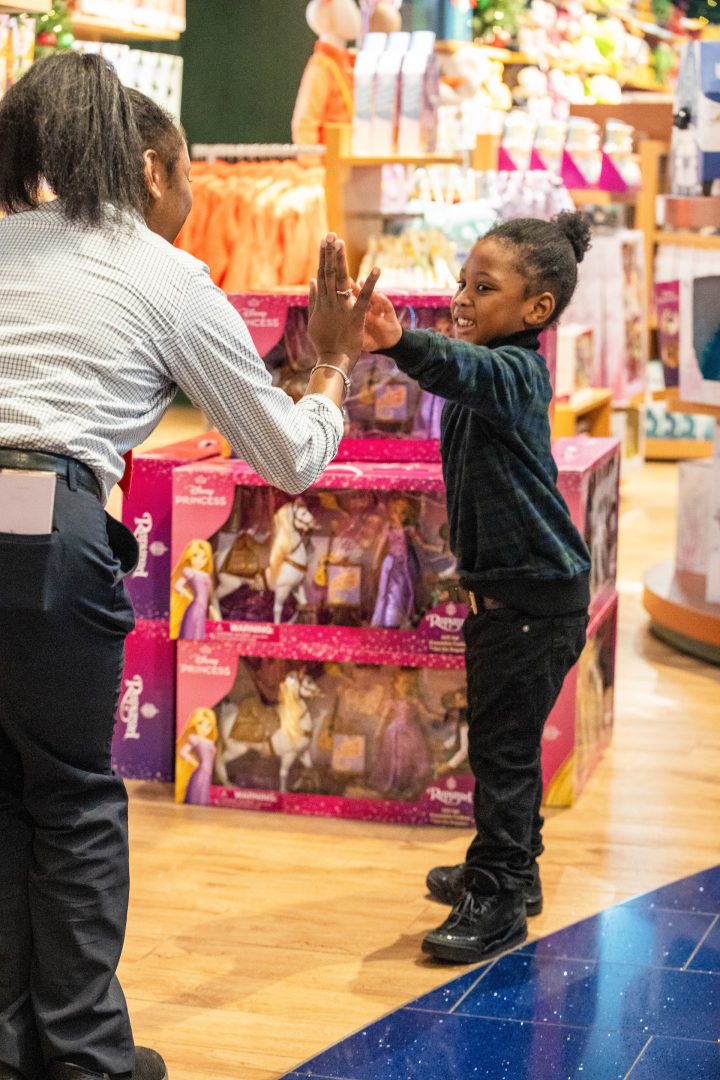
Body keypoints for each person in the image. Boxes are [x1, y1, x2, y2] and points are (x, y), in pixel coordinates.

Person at [0, 53, 377, 1080]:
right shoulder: (166, 274)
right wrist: (333, 364)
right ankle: (84, 1059)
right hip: (42, 517)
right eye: (193, 171)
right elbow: (289, 456)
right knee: (73, 796)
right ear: (158, 168)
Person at [345, 212, 593, 963]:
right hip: (514, 598)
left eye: (483, 288)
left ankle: (498, 898)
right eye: (461, 281)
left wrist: (398, 343)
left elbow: (464, 370)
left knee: (502, 755)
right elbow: (459, 367)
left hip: (531, 601)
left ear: (535, 310)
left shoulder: (515, 372)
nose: (462, 297)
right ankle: (514, 871)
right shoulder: (490, 368)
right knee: (504, 747)